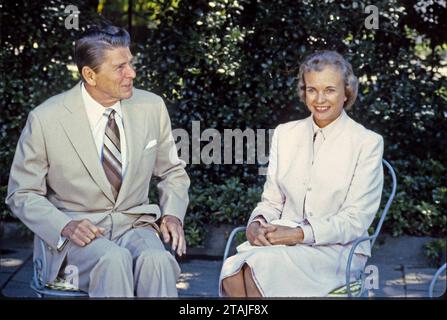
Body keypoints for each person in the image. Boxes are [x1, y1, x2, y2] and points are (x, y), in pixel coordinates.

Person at [6, 24, 190, 297]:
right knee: (113, 260)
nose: (132, 73)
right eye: (120, 67)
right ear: (89, 75)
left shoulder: (151, 106)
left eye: (131, 63)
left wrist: (173, 214)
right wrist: (64, 226)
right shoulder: (46, 118)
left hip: (134, 226)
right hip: (77, 236)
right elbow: (21, 193)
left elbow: (172, 171)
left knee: (159, 261)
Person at [219, 50, 384, 297]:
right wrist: (256, 224)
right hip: (280, 242)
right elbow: (272, 200)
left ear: (346, 91)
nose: (319, 99)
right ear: (303, 90)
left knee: (255, 270)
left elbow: (355, 220)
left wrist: (298, 234)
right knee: (232, 274)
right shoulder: (285, 134)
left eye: (329, 89)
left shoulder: (366, 142)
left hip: (337, 250)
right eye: (311, 89)